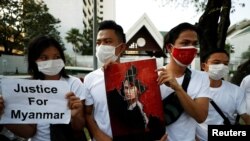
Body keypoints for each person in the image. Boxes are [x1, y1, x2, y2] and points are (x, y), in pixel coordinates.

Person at [84, 20, 166, 141]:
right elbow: (88, 114)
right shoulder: (90, 79)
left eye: (107, 42)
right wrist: (100, 136)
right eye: (98, 42)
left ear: (122, 47)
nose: (101, 46)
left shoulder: (143, 75)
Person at [0, 35, 86, 141]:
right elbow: (29, 132)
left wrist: (74, 116)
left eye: (56, 57)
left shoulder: (73, 84)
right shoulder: (28, 89)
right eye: (44, 58)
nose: (51, 61)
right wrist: (4, 116)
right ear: (34, 61)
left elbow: (79, 127)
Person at [157, 22, 211, 141]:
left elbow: (200, 116)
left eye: (194, 44)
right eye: (185, 43)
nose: (191, 48)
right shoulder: (153, 76)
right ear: (170, 48)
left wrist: (178, 88)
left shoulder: (201, 78)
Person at [196, 49, 250, 141]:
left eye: (225, 63)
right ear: (204, 66)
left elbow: (247, 118)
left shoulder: (236, 91)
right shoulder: (193, 89)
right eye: (216, 63)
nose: (221, 66)